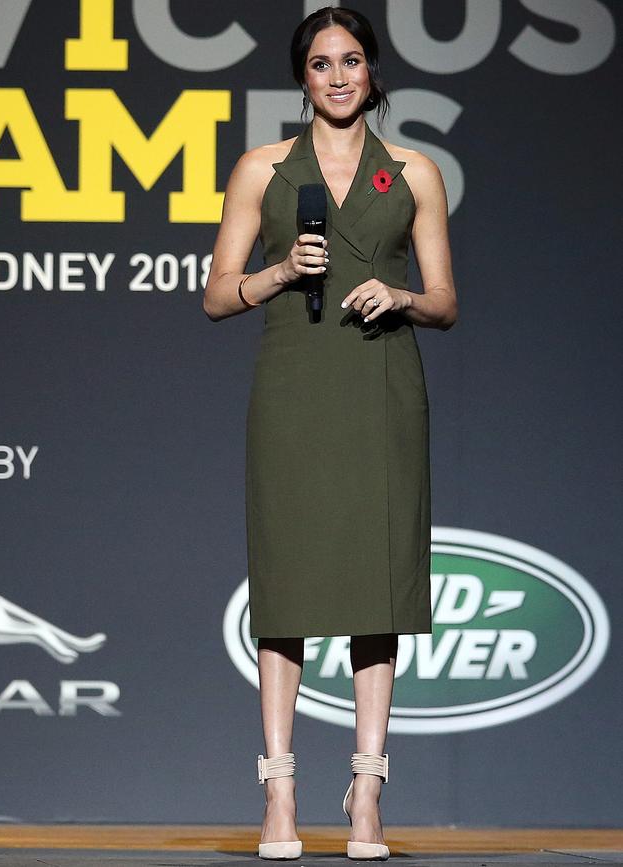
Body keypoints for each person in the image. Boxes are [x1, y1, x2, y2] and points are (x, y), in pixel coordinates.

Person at [204, 6, 457, 861]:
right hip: (295, 385)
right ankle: (279, 796)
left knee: (373, 590)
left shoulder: (416, 172)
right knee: (288, 590)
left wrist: (403, 296)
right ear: (302, 77)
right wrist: (279, 271)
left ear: (373, 72)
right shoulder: (262, 169)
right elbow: (215, 293)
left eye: (352, 61)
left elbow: (447, 299)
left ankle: (367, 797)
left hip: (381, 383)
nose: (339, 76)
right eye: (321, 64)